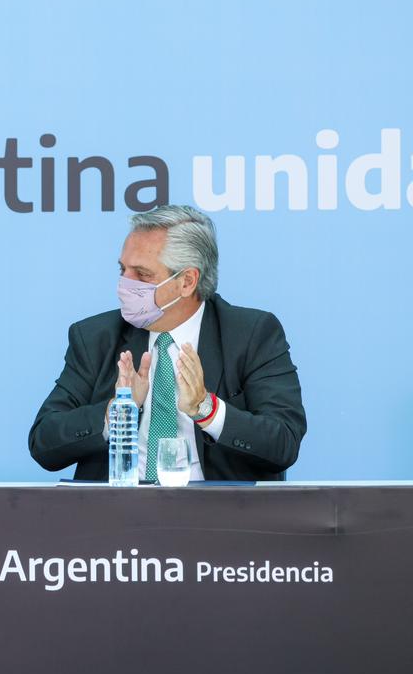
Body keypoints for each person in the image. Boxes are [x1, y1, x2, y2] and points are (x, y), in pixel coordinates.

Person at [28, 205, 306, 482]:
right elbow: (44, 442)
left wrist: (206, 409)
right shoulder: (95, 338)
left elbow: (283, 442)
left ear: (187, 281)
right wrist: (116, 412)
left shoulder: (251, 335)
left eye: (142, 274)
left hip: (219, 514)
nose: (125, 283)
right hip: (118, 515)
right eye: (122, 269)